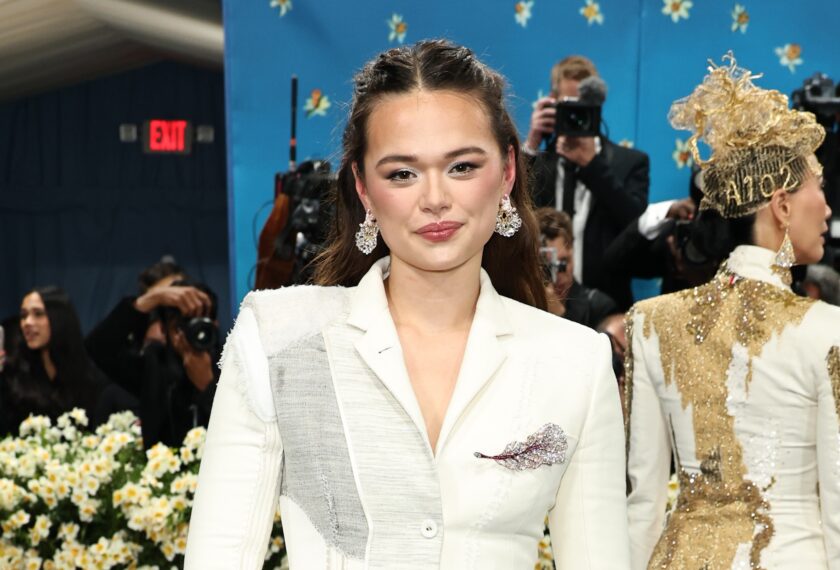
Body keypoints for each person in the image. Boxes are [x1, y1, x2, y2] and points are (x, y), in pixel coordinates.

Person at [185, 40, 629, 569]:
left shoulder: (575, 359)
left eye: (462, 166)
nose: (435, 197)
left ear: (508, 172)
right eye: (402, 173)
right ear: (364, 188)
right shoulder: (279, 338)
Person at [625, 54, 840, 569]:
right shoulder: (827, 327)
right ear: (782, 205)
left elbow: (643, 503)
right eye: (822, 190)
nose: (829, 209)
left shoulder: (651, 321)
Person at [525, 55, 650, 310]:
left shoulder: (629, 163)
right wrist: (531, 145)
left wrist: (592, 165)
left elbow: (637, 228)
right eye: (568, 105)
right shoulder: (539, 163)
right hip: (540, 304)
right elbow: (507, 211)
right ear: (552, 103)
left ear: (597, 107)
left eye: (583, 106)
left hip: (605, 307)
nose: (575, 114)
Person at [86, 276, 219, 449]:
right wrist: (152, 298)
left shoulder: (236, 365)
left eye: (199, 323)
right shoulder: (154, 365)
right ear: (164, 330)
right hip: (161, 472)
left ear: (215, 324)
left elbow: (249, 430)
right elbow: (98, 347)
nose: (190, 334)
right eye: (180, 326)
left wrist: (208, 386)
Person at [0, 287, 110, 433]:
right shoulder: (12, 376)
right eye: (23, 315)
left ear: (59, 318)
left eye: (38, 314)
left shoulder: (91, 377)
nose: (27, 322)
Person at [537, 207, 617, 328]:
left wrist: (559, 314)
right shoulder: (519, 304)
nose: (557, 274)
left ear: (573, 252)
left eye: (563, 262)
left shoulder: (599, 308)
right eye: (548, 265)